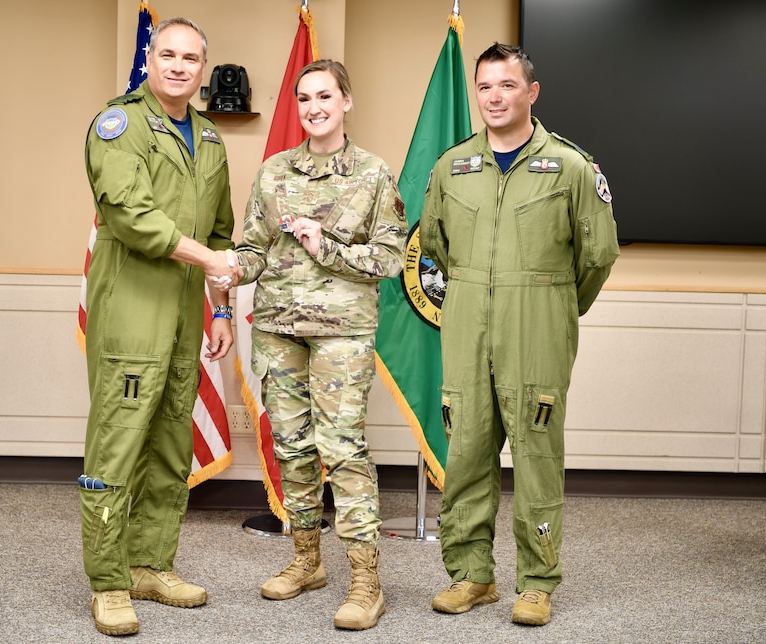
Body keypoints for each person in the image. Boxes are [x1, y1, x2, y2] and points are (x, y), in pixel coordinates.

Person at [420, 43, 619, 627]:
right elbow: (433, 244)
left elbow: (598, 255)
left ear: (531, 92)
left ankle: (535, 582)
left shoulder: (572, 167)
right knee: (466, 452)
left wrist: (552, 306)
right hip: (465, 328)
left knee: (536, 456)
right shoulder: (451, 168)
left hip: (538, 326)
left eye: (506, 86)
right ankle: (472, 576)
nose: (493, 97)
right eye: (484, 87)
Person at [221, 59, 407, 631]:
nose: (313, 107)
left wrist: (327, 246)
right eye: (304, 98)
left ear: (346, 101)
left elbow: (391, 258)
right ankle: (306, 561)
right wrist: (229, 272)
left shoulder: (373, 175)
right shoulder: (275, 171)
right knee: (292, 448)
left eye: (324, 95)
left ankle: (364, 581)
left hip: (341, 333)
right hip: (277, 328)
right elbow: (251, 250)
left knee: (343, 448)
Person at [79, 17, 238, 637]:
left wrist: (220, 306)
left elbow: (221, 229)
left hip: (186, 312)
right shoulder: (116, 124)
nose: (178, 65)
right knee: (119, 443)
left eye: (191, 58)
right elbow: (133, 216)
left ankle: (149, 563)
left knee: (171, 440)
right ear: (150, 57)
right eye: (167, 53)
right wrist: (209, 262)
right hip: (131, 309)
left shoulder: (211, 138)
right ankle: (109, 582)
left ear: (204, 69)